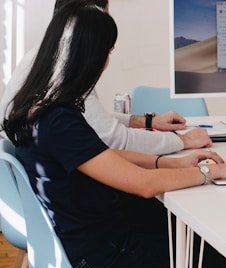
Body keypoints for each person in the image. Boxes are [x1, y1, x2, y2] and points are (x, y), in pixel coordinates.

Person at [1, 3, 226, 268]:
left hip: (83, 239)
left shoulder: (39, 106)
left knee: (187, 237)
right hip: (99, 257)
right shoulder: (59, 119)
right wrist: (212, 172)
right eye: (109, 51)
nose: (107, 61)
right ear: (91, 56)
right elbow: (143, 186)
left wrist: (166, 163)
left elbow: (100, 156)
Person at [0, 0, 211, 155]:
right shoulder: (65, 74)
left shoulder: (42, 59)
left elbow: (90, 119)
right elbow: (115, 139)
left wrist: (146, 121)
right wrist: (182, 141)